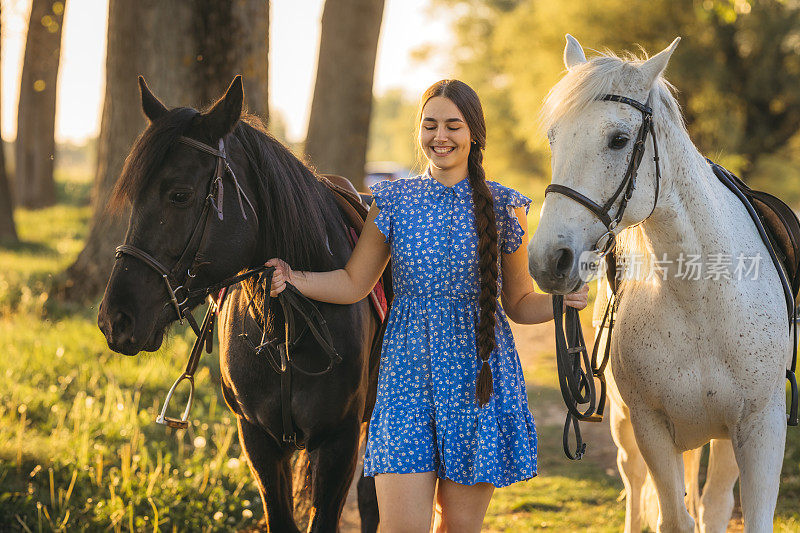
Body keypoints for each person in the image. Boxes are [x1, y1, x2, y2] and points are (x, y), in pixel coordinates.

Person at [267, 79, 588, 533]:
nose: (441, 136)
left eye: (453, 125)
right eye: (430, 125)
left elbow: (518, 303)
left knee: (458, 527)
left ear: (473, 132)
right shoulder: (394, 201)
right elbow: (353, 282)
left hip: (477, 380)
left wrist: (562, 305)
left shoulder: (504, 205)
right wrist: (294, 279)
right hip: (404, 382)